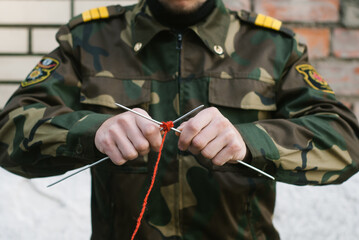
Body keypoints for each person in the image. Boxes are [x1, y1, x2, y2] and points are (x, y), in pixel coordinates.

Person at [0, 0, 358, 239]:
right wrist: (92, 130)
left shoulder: (271, 46)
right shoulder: (88, 38)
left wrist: (251, 140)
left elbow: (345, 139)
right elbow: (9, 131)